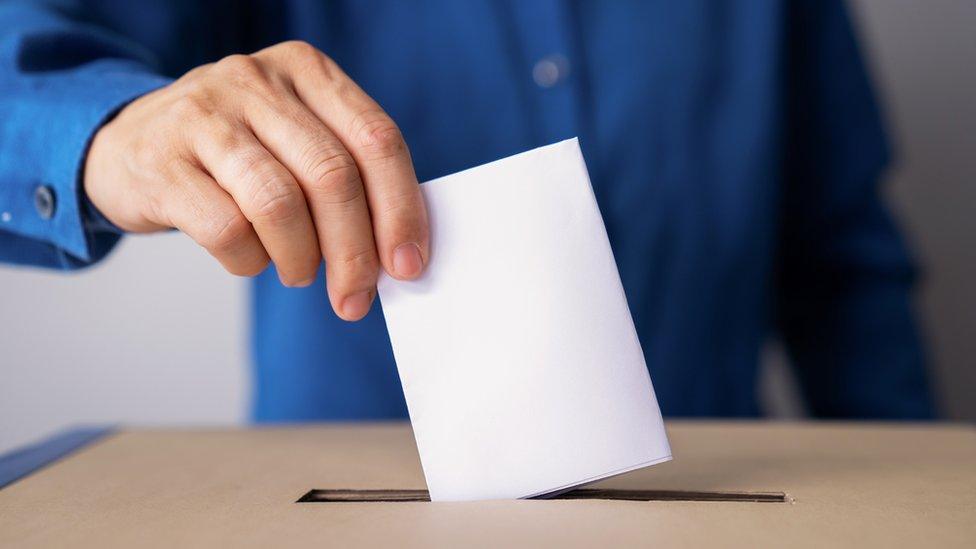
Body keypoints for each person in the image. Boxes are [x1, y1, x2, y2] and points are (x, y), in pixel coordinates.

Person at [0, 0, 933, 420]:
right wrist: (112, 130)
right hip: (334, 502)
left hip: (717, 499)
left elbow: (845, 265)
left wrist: (913, 491)